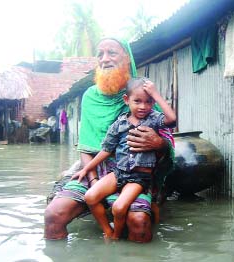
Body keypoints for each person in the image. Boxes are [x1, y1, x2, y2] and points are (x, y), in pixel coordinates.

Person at [44, 38, 175, 242]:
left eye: (112, 53)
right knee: (53, 215)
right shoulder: (90, 97)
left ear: (127, 58)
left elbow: (167, 136)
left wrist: (158, 143)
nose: (104, 59)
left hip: (135, 171)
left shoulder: (141, 92)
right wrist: (94, 180)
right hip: (94, 171)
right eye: (100, 54)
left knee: (139, 222)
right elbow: (86, 145)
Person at [72, 77, 176, 239]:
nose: (143, 106)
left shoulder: (154, 119)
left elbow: (172, 120)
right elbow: (106, 150)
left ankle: (116, 237)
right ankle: (108, 231)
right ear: (126, 100)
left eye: (148, 102)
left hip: (139, 178)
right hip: (118, 173)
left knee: (119, 208)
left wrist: (156, 95)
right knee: (90, 197)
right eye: (137, 101)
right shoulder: (119, 123)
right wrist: (86, 168)